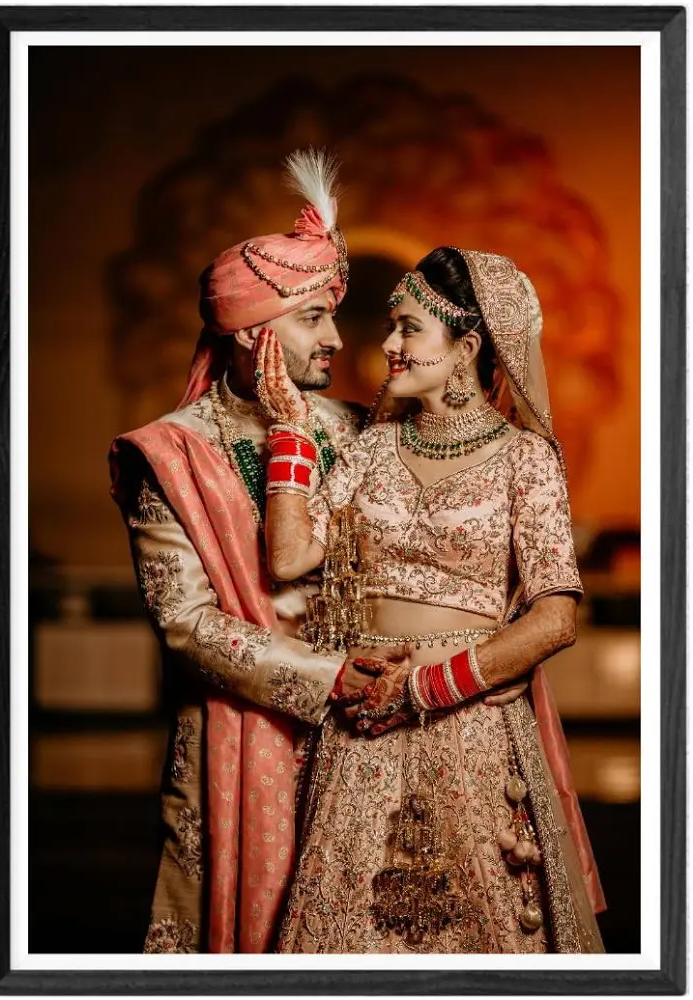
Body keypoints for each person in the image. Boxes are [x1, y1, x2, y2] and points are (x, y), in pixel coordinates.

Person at [256, 246, 607, 953]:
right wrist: (290, 430)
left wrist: (424, 688)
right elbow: (290, 557)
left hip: (469, 723)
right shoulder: (371, 450)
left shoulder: (526, 459)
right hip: (361, 727)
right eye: (393, 325)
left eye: (409, 328)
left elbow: (555, 619)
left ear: (466, 348)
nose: (388, 343)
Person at [108, 150, 412, 953]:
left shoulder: (355, 429)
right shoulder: (172, 453)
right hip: (244, 737)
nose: (335, 339)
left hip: (375, 727)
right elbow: (187, 624)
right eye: (312, 318)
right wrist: (328, 677)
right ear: (250, 332)